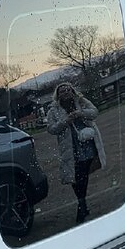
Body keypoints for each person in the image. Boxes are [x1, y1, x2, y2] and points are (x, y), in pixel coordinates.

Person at [47, 82, 106, 224]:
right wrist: (65, 121)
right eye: (62, 91)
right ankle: (82, 203)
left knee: (82, 174)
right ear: (58, 95)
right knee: (75, 176)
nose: (66, 92)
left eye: (68, 90)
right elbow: (51, 129)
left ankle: (81, 204)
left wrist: (81, 113)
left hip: (86, 143)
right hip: (69, 146)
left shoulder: (82, 101)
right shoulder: (53, 110)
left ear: (72, 91)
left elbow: (94, 112)